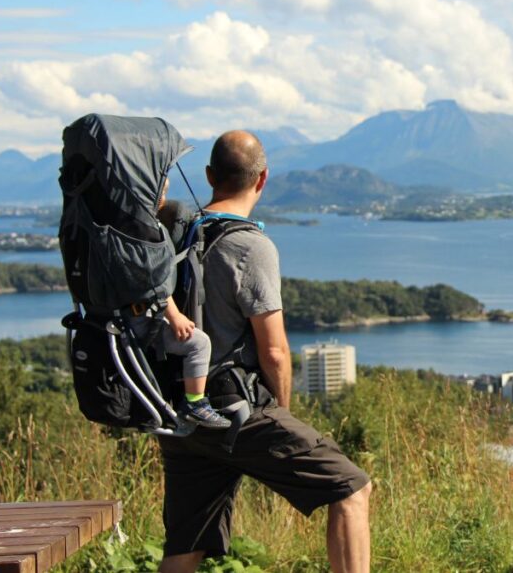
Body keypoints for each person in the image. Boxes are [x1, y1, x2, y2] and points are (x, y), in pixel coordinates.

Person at [157, 131, 372, 573]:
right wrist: (283, 412)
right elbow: (274, 349)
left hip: (182, 411)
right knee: (351, 488)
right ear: (263, 179)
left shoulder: (179, 233)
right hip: (236, 410)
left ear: (210, 176)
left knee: (186, 544)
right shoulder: (251, 246)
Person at [130, 177, 231, 429]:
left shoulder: (122, 229)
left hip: (120, 320)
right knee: (199, 343)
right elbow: (155, 283)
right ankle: (195, 403)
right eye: (162, 191)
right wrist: (175, 317)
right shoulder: (149, 233)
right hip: (142, 322)